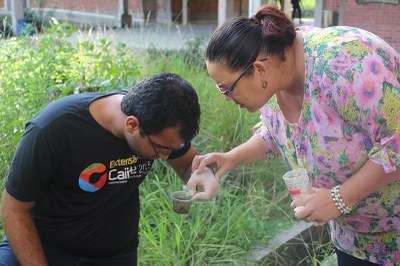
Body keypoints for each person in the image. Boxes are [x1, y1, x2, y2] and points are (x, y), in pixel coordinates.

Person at [192, 4, 399, 266]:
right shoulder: (274, 76)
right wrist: (232, 157)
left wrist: (340, 197)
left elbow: (397, 142)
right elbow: (276, 132)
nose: (227, 98)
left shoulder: (344, 63)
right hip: (354, 237)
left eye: (227, 89)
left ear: (259, 70)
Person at [0, 73, 220, 265]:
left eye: (171, 149)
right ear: (132, 125)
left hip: (113, 257)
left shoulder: (160, 128)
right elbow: (14, 209)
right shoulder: (53, 128)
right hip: (44, 247)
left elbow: (188, 163)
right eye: (161, 149)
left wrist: (204, 175)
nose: (165, 156)